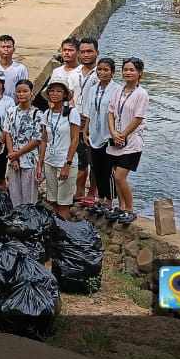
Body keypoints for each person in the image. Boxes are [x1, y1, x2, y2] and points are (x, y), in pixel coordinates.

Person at [106, 57, 149, 226]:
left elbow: (138, 118)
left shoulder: (141, 94)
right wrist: (113, 132)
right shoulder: (118, 91)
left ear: (139, 73)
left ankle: (130, 208)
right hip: (116, 140)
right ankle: (121, 206)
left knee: (120, 177)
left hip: (131, 143)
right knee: (115, 175)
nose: (128, 73)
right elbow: (110, 112)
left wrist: (122, 134)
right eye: (126, 70)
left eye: (132, 70)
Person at [79, 57, 117, 215]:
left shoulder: (117, 90)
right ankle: (100, 198)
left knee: (108, 169)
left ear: (112, 72)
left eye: (106, 70)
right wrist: (86, 132)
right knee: (97, 167)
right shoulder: (93, 88)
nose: (102, 72)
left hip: (108, 134)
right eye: (100, 69)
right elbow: (88, 112)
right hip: (94, 133)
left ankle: (110, 200)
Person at [39, 79, 80, 217]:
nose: (55, 94)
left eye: (59, 91)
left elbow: (75, 140)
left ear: (64, 94)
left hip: (64, 161)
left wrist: (67, 164)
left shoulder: (72, 113)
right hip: (50, 161)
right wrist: (40, 163)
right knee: (53, 202)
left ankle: (65, 233)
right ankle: (56, 231)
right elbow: (44, 139)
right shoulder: (47, 114)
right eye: (52, 90)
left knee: (64, 205)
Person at [3, 79, 44, 206]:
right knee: (15, 195)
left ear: (31, 93)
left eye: (25, 91)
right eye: (19, 92)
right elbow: (8, 134)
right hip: (13, 159)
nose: (21, 94)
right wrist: (13, 156)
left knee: (29, 197)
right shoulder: (11, 111)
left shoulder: (38, 114)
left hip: (30, 159)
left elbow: (37, 139)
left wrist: (17, 154)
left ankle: (29, 222)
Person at [72, 37, 100, 203]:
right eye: (82, 51)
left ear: (97, 52)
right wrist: (74, 110)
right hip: (76, 122)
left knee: (94, 160)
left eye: (89, 51)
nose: (86, 54)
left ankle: (92, 192)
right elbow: (69, 95)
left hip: (93, 124)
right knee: (80, 159)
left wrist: (88, 114)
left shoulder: (101, 73)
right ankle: (79, 190)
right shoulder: (75, 73)